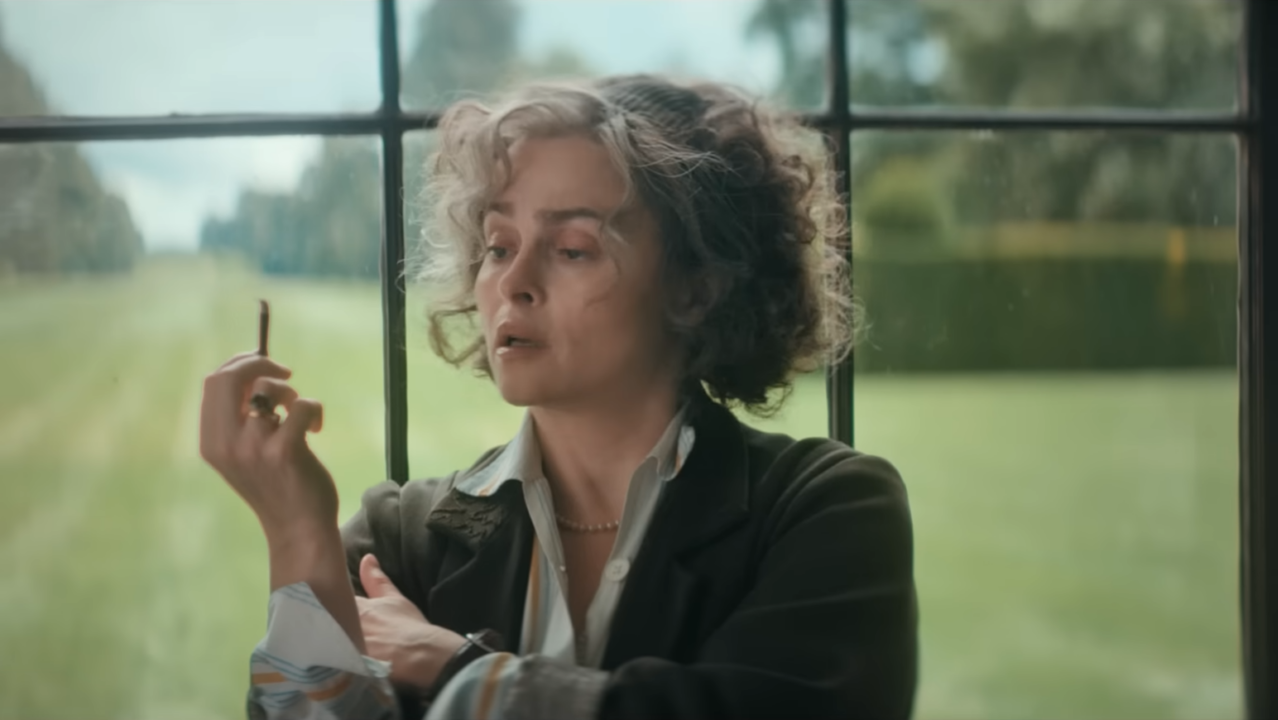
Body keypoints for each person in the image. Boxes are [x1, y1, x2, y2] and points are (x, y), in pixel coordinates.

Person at [199, 74, 917, 720]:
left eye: (572, 248)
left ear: (695, 287)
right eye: (498, 246)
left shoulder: (824, 508)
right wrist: (297, 534)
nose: (513, 283)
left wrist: (458, 670)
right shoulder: (399, 539)